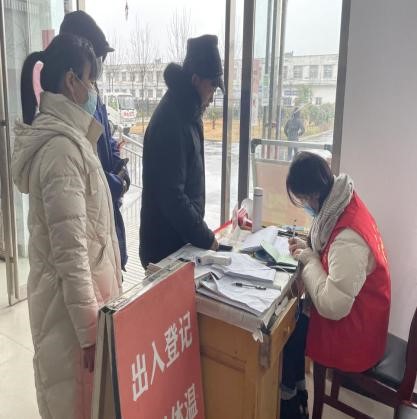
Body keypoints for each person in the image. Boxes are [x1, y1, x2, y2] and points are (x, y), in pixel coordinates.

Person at [12, 34, 122, 419]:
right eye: (90, 80)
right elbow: (71, 253)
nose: (94, 91)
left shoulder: (72, 139)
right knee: (73, 404)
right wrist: (91, 332)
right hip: (71, 319)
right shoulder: (61, 150)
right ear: (72, 81)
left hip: (78, 308)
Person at [280, 152, 391, 419]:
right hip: (362, 314)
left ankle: (290, 405)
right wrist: (308, 250)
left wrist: (308, 259)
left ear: (314, 194)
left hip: (358, 331)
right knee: (293, 327)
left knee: (289, 332)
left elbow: (332, 305)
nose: (304, 206)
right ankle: (296, 395)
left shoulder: (348, 235)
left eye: (302, 199)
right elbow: (332, 258)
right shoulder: (341, 203)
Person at [139, 34, 224, 267]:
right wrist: (206, 238)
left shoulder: (188, 112)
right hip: (164, 249)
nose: (212, 96)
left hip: (181, 242)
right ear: (196, 80)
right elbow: (173, 197)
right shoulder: (171, 121)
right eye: (212, 86)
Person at [60, 11, 130, 271]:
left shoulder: (92, 96)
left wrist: (120, 167)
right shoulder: (66, 115)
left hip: (107, 218)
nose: (99, 66)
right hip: (90, 233)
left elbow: (106, 137)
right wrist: (113, 183)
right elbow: (82, 175)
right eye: (96, 58)